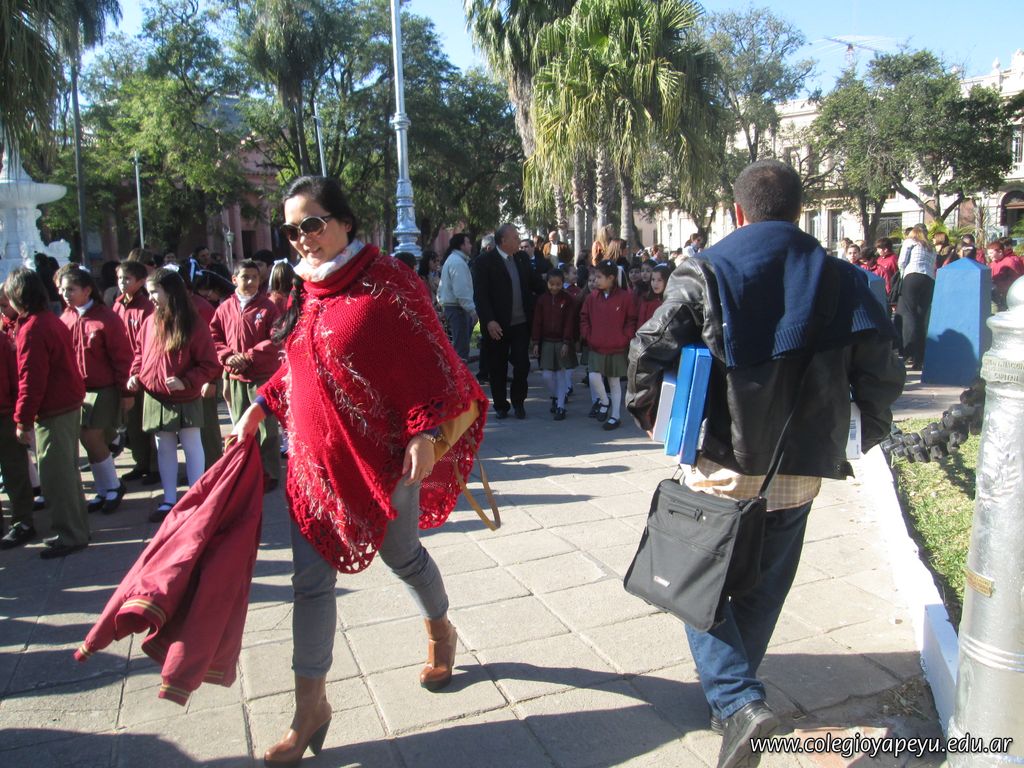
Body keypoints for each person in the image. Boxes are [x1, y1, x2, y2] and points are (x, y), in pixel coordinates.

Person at [627, 159, 904, 768]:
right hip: (801, 467)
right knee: (764, 588)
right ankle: (733, 706)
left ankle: (738, 703)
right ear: (799, 212)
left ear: (738, 212)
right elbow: (883, 370)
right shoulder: (847, 279)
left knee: (689, 583)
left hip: (722, 463)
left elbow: (649, 344)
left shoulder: (705, 270)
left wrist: (650, 416)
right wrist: (863, 432)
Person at [230, 175, 487, 767]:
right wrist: (262, 403)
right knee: (309, 585)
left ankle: (440, 629)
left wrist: (426, 431)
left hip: (381, 461)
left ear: (345, 221)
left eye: (312, 223)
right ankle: (309, 708)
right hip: (313, 466)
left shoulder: (389, 282)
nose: (302, 238)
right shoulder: (308, 289)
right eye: (291, 230)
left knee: (405, 558)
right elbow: (302, 362)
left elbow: (436, 363)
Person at [4, 268, 90, 558]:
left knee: (57, 478)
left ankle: (71, 534)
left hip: (54, 410)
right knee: (67, 474)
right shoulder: (48, 320)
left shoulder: (33, 328)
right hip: (64, 405)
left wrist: (22, 420)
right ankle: (76, 529)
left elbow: (31, 380)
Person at [128, 268, 220, 523]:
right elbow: (139, 353)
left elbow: (209, 364)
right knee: (164, 447)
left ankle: (195, 498)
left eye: (154, 292)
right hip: (155, 396)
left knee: (192, 444)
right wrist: (135, 374)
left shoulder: (193, 323)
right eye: (149, 292)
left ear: (171, 291)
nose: (150, 298)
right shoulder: (149, 321)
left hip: (184, 396)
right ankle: (169, 499)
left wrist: (186, 381)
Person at [56, 264, 133, 514]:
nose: (66, 294)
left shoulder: (106, 318)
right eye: (62, 289)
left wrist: (127, 392)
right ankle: (103, 489)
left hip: (104, 388)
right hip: (76, 389)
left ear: (87, 290)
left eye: (71, 289)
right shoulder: (66, 318)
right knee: (86, 438)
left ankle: (113, 486)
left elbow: (122, 357)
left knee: (92, 436)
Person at [209, 260, 282, 492]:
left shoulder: (268, 307)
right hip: (236, 376)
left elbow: (276, 338)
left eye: (254, 277)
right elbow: (214, 337)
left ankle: (269, 472)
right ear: (234, 280)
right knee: (242, 424)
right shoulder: (224, 308)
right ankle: (247, 470)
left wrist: (250, 356)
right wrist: (228, 357)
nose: (250, 282)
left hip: (262, 375)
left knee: (267, 428)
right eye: (244, 277)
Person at [473, 223, 542, 419]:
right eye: (515, 237)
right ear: (503, 240)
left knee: (522, 364)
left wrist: (558, 291)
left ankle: (519, 402)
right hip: (497, 325)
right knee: (498, 367)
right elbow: (480, 295)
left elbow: (536, 283)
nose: (519, 240)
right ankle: (501, 405)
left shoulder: (521, 258)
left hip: (521, 323)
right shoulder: (484, 261)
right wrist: (489, 321)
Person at [113, 261, 157, 484]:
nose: (122, 283)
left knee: (149, 422)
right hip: (124, 372)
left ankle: (155, 466)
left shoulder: (147, 307)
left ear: (140, 282)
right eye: (120, 278)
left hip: (144, 372)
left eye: (127, 279)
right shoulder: (118, 305)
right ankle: (141, 463)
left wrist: (140, 370)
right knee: (133, 423)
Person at [581, 260, 637, 431]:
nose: (596, 281)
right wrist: (588, 335)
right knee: (593, 376)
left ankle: (615, 416)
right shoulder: (592, 298)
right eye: (595, 277)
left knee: (614, 381)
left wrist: (624, 338)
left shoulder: (625, 297)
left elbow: (631, 320)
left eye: (600, 277)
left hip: (616, 346)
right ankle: (604, 401)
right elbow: (584, 318)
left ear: (611, 278)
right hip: (596, 345)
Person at [0, 328, 34, 547]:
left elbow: (17, 378)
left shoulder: (3, 341)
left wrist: (19, 416)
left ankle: (23, 522)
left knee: (14, 470)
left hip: (4, 413)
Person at [531, 269, 576, 421]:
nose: (555, 287)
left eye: (558, 284)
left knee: (560, 374)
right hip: (547, 341)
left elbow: (569, 322)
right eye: (552, 284)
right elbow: (537, 322)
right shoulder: (542, 300)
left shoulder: (567, 300)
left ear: (563, 283)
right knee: (546, 375)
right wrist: (536, 342)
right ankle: (556, 396)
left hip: (562, 341)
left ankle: (561, 406)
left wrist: (566, 341)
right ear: (547, 283)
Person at [895, 224, 937, 370]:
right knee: (921, 317)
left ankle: (908, 352)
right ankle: (920, 357)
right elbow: (933, 265)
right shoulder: (931, 247)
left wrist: (903, 276)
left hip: (912, 275)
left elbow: (902, 262)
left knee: (908, 314)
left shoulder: (910, 242)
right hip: (929, 279)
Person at [437, 233, 477, 363]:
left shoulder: (454, 260)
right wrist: (472, 311)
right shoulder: (457, 262)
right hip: (457, 309)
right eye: (468, 242)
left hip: (455, 308)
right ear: (461, 245)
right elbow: (461, 291)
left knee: (459, 348)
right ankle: (459, 375)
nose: (470, 245)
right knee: (461, 351)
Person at [989, 240, 1024, 311]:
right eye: (988, 253)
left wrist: (999, 286)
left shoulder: (1009, 262)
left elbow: (1015, 281)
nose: (989, 255)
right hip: (997, 295)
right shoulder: (992, 264)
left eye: (991, 253)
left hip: (1008, 295)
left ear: (1000, 252)